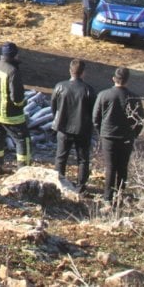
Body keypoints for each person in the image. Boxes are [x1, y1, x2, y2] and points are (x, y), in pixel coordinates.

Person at [92, 67, 144, 206]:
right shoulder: (134, 98)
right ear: (127, 81)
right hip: (126, 137)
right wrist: (134, 134)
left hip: (108, 136)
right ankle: (120, 195)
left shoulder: (104, 95)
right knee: (122, 167)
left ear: (114, 79)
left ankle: (107, 197)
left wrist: (101, 132)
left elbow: (95, 117)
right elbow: (140, 120)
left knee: (110, 167)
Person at [0, 42, 32, 174]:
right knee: (23, 140)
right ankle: (24, 170)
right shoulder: (13, 72)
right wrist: (22, 103)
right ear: (14, 55)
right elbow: (17, 98)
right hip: (11, 115)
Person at [51, 58, 97, 193]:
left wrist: (58, 120)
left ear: (70, 71)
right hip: (82, 129)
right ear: (83, 73)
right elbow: (93, 110)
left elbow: (54, 106)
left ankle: (59, 184)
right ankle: (81, 187)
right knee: (83, 159)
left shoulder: (60, 86)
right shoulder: (88, 90)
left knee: (61, 157)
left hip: (63, 128)